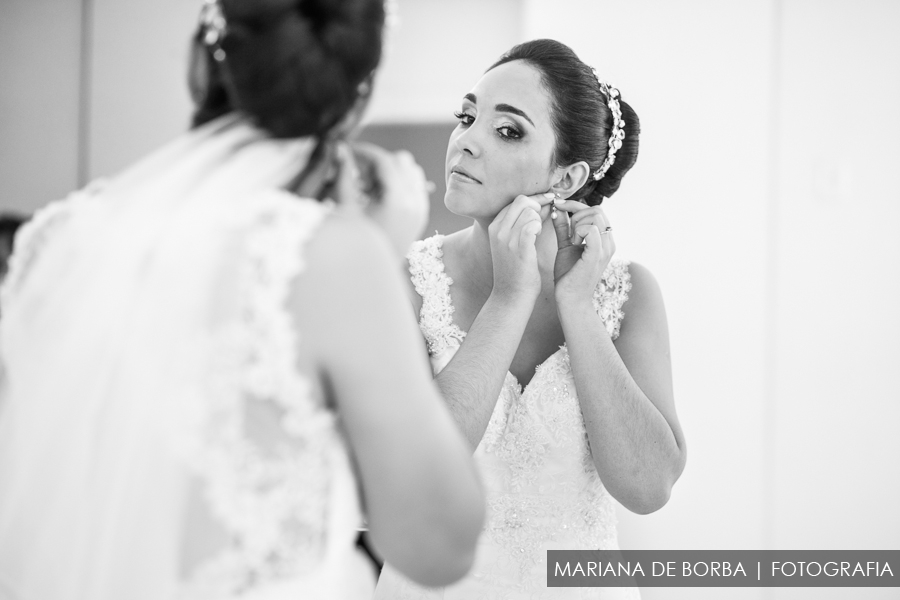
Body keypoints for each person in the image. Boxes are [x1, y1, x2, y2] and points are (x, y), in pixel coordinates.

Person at [0, 1, 484, 599]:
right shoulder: (331, 257)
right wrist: (379, 253)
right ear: (357, 98)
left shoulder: (56, 242)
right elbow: (440, 544)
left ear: (202, 66)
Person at [374, 39, 687, 599]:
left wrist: (578, 310)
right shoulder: (408, 282)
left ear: (566, 179)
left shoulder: (629, 294)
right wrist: (511, 297)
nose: (466, 141)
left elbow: (648, 487)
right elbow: (417, 478)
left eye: (507, 130)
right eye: (467, 117)